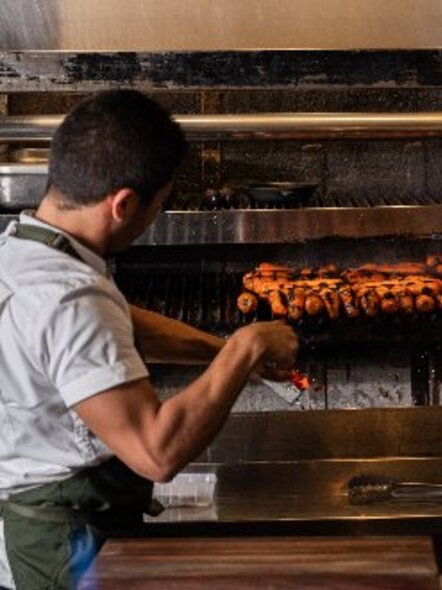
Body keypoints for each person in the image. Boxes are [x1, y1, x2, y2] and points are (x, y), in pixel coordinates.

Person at [0, 90, 299, 589]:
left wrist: (220, 350)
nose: (153, 218)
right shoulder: (71, 299)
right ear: (123, 204)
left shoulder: (23, 251)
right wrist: (249, 346)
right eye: (159, 206)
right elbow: (156, 452)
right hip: (65, 550)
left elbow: (120, 323)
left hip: (36, 530)